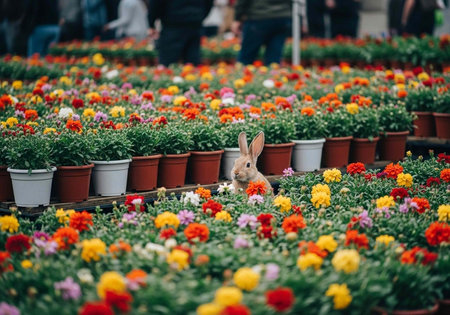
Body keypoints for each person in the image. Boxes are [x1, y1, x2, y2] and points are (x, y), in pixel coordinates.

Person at [149, 0, 213, 66]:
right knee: (192, 64)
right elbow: (209, 3)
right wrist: (200, 16)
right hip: (193, 23)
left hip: (172, 24)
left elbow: (155, 3)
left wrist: (151, 22)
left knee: (168, 64)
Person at [232, 0, 292, 65]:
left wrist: (237, 18)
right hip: (282, 16)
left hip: (258, 15)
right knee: (274, 58)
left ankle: (242, 73)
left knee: (246, 58)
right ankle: (273, 73)